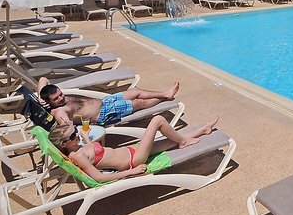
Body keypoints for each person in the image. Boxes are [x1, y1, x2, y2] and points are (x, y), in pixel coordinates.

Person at [49, 115, 219, 182]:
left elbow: (89, 149)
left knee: (171, 140)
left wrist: (85, 135)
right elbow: (99, 177)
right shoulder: (77, 157)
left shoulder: (76, 147)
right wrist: (131, 172)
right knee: (158, 120)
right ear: (63, 144)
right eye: (72, 136)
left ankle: (202, 130)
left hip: (131, 151)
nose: (76, 135)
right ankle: (184, 142)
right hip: (133, 160)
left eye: (75, 131)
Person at [38, 77, 179, 126]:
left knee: (136, 91)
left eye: (60, 94)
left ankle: (165, 93)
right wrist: (84, 124)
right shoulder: (59, 112)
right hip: (104, 113)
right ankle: (165, 97)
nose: (61, 98)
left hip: (105, 101)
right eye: (56, 99)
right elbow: (66, 127)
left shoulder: (51, 96)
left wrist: (39, 95)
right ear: (49, 102)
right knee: (139, 102)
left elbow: (43, 79)